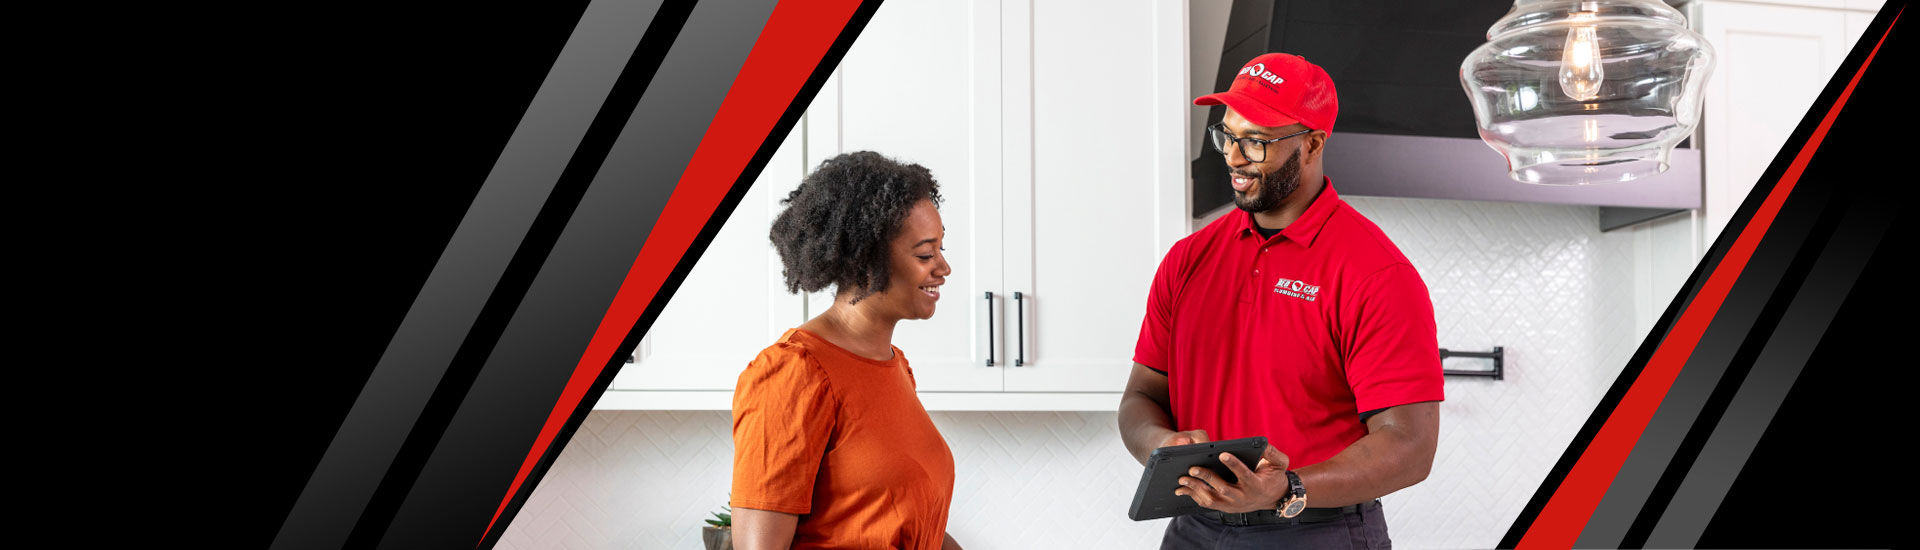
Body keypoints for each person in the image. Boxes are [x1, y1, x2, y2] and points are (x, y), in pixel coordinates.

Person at [1118, 52, 1444, 549]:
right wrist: (1161, 446)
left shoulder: (1375, 273)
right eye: (1226, 135)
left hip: (1316, 530)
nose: (1233, 156)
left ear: (1311, 144)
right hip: (1194, 530)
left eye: (1256, 141)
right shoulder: (1187, 260)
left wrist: (1286, 487)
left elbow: (1411, 446)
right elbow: (1141, 398)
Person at [730, 151, 964, 550]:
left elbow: (909, 521)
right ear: (865, 261)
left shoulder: (895, 366)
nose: (943, 267)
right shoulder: (792, 372)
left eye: (941, 249)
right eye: (925, 254)